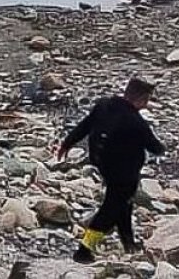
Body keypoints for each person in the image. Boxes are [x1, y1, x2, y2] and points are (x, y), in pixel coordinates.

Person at [57, 77, 165, 264]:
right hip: (124, 172)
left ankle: (128, 243)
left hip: (104, 164)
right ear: (141, 98)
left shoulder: (104, 105)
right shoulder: (135, 121)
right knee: (110, 210)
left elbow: (85, 125)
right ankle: (84, 249)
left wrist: (67, 143)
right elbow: (155, 147)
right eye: (147, 99)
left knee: (124, 202)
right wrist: (163, 147)